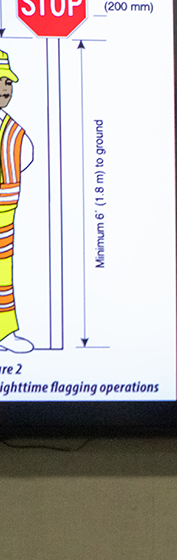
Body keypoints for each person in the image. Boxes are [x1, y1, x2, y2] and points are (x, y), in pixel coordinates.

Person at [0, 49, 34, 354]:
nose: (4, 89)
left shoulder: (15, 132)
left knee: (3, 271)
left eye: (7, 83)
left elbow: (26, 158)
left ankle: (5, 332)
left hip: (4, 214)